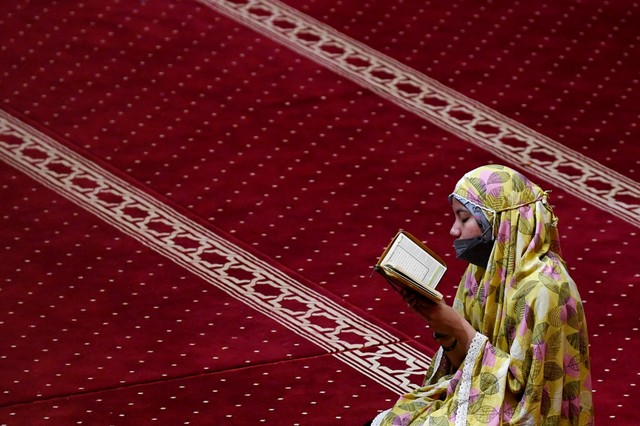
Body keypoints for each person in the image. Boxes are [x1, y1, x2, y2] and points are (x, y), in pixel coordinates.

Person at [370, 164, 594, 425]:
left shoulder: (546, 289)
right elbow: (463, 367)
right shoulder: (479, 275)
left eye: (464, 218)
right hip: (481, 397)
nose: (454, 230)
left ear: (498, 221)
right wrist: (441, 324)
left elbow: (527, 396)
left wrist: (457, 325)